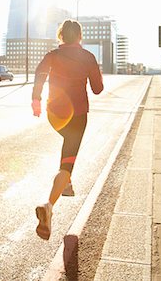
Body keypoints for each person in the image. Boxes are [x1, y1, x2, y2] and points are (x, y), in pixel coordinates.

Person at [31, 19, 103, 240]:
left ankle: (68, 184)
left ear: (61, 36)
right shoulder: (88, 57)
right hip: (77, 116)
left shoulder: (52, 55)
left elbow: (39, 76)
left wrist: (36, 101)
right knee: (67, 161)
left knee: (67, 148)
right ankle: (49, 205)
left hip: (55, 115)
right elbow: (98, 89)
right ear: (80, 36)